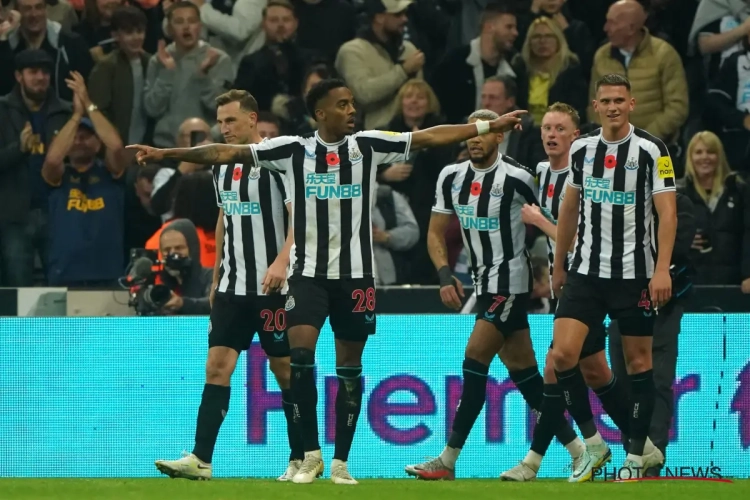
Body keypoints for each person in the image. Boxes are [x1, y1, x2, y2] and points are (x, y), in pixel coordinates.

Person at [129, 78, 526, 485]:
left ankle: (340, 462)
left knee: (347, 369)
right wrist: (166, 153)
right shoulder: (291, 151)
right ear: (320, 113)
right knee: (299, 360)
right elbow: (222, 152)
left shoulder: (368, 145)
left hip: (355, 278)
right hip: (307, 277)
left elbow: (428, 136)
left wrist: (486, 126)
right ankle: (309, 455)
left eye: (352, 103)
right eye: (342, 104)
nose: (352, 110)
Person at [403, 109, 585, 481]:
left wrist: (555, 267)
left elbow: (560, 223)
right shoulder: (451, 177)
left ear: (498, 137)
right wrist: (444, 275)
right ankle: (581, 450)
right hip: (482, 285)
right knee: (526, 376)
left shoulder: (519, 178)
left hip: (511, 284)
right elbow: (435, 232)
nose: (475, 139)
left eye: (483, 132)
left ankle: (448, 459)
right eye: (471, 132)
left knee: (475, 356)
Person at [153, 90, 301, 481]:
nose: (224, 128)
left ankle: (301, 456)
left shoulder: (277, 162)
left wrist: (282, 262)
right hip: (233, 287)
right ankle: (200, 459)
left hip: (274, 289)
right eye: (220, 122)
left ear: (253, 119)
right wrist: (217, 275)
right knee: (217, 367)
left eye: (231, 120)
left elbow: (298, 217)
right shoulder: (221, 166)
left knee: (285, 371)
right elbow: (224, 218)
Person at [502, 102, 654, 482]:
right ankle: (645, 447)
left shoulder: (587, 170)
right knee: (595, 372)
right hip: (566, 282)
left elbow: (579, 236)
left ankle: (539, 460)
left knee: (557, 364)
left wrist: (540, 222)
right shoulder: (540, 173)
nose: (551, 135)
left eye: (560, 129)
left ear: (576, 136)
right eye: (546, 128)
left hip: (590, 277)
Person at [549, 73, 677, 480]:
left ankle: (637, 456)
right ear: (596, 106)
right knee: (561, 356)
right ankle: (593, 444)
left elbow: (668, 213)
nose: (613, 107)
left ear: (631, 104)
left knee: (638, 363)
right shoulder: (582, 149)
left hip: (635, 275)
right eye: (605, 101)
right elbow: (569, 208)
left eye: (619, 100)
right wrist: (559, 263)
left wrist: (661, 269)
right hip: (586, 272)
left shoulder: (653, 150)